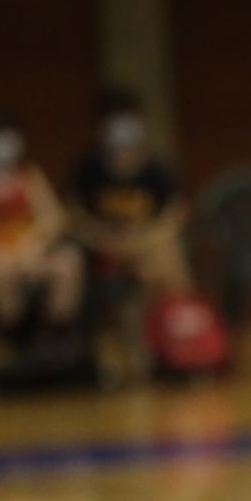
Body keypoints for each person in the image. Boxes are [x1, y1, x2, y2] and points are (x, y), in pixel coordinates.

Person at [70, 89, 191, 382]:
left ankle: (176, 347)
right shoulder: (87, 169)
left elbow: (175, 212)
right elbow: (73, 216)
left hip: (147, 244)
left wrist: (149, 238)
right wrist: (103, 238)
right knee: (155, 264)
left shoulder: (155, 168)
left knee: (163, 262)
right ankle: (147, 352)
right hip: (104, 247)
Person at [0, 118, 85, 351]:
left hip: (31, 253)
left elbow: (55, 219)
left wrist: (35, 246)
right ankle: (11, 337)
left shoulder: (30, 176)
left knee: (68, 262)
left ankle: (55, 332)